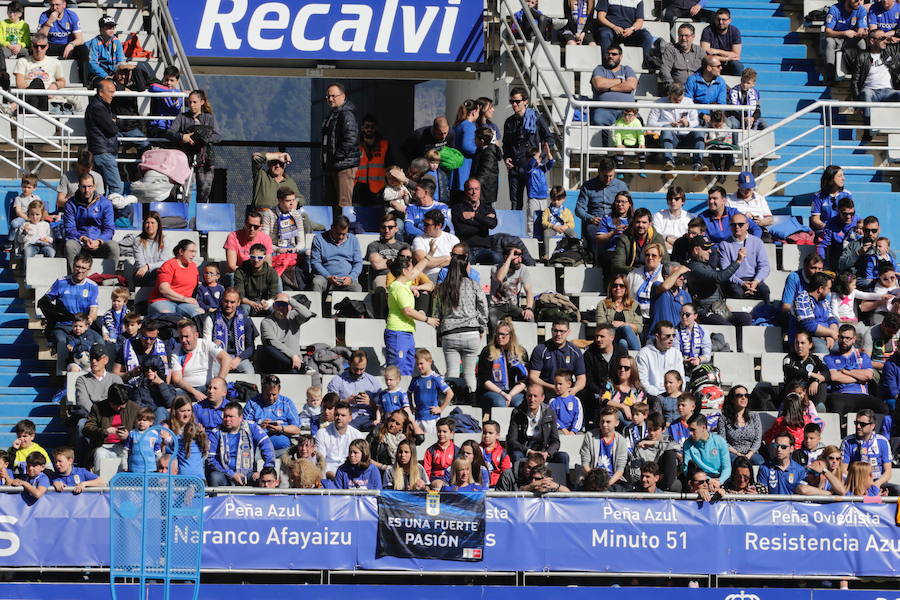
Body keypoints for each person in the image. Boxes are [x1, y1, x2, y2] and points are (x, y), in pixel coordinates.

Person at [432, 255, 488, 393]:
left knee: (452, 371)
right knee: (469, 372)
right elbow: (483, 308)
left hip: (449, 333)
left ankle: (452, 399)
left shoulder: (441, 287)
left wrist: (439, 331)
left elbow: (435, 313)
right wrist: (482, 327)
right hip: (471, 332)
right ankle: (471, 399)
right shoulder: (474, 284)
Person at [384, 252, 438, 376]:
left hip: (406, 332)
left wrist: (429, 254)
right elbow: (407, 311)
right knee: (398, 369)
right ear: (404, 271)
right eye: (410, 268)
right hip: (398, 333)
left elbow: (417, 270)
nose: (413, 271)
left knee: (407, 368)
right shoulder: (398, 287)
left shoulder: (404, 284)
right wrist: (427, 319)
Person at [503, 86, 556, 211]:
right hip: (515, 168)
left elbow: (550, 140)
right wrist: (506, 157)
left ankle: (534, 230)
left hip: (532, 168)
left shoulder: (536, 118)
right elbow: (506, 144)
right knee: (515, 203)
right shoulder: (509, 122)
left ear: (525, 101)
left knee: (535, 202)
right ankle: (515, 230)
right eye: (512, 102)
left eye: (517, 101)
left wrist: (540, 156)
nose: (514, 104)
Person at [165, 89, 221, 203]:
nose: (192, 105)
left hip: (205, 159)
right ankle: (183, 216)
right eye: (190, 102)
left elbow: (218, 137)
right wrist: (183, 137)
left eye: (194, 102)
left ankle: (201, 215)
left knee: (204, 191)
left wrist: (203, 139)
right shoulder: (182, 117)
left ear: (202, 102)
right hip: (186, 159)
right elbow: (169, 133)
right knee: (185, 190)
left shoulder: (209, 118)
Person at [207, 401, 275, 486]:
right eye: (225, 416)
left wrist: (265, 470)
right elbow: (211, 459)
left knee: (262, 479)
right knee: (214, 476)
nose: (227, 419)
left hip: (248, 473)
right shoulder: (216, 432)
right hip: (225, 474)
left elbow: (266, 445)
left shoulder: (251, 427)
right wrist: (231, 474)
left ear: (240, 417)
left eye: (231, 416)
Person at [824, 325, 887, 416]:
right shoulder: (829, 357)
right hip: (841, 394)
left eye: (847, 338)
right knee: (836, 404)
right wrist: (860, 378)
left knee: (883, 408)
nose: (844, 341)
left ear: (854, 339)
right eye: (841, 337)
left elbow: (868, 375)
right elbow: (834, 376)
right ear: (838, 337)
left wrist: (845, 372)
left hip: (862, 394)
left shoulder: (862, 356)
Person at [62, 172, 118, 270]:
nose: (87, 190)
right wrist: (83, 238)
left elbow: (109, 229)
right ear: (78, 187)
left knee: (113, 246)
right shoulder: (70, 204)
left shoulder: (105, 203)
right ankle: (73, 279)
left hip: (99, 242)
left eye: (89, 186)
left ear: (94, 187)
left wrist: (99, 241)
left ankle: (109, 278)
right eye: (83, 187)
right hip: (79, 242)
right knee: (69, 245)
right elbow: (69, 229)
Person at [170, 320, 232, 403]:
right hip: (186, 389)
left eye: (187, 336)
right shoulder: (176, 351)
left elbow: (226, 358)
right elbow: (177, 379)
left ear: (196, 335)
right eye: (181, 337)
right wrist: (195, 392)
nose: (183, 340)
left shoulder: (206, 344)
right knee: (171, 395)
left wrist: (219, 382)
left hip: (206, 387)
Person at [506, 384, 568, 469]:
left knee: (563, 456)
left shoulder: (550, 413)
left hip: (543, 450)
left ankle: (563, 481)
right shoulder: (517, 412)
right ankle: (519, 481)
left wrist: (547, 453)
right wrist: (528, 451)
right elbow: (512, 440)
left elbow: (556, 441)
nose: (532, 399)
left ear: (542, 398)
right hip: (525, 450)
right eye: (529, 396)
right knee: (516, 455)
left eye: (535, 396)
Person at [321, 83, 359, 213]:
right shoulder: (334, 114)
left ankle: (345, 231)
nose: (330, 99)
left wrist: (338, 156)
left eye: (333, 96)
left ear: (343, 96)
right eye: (328, 96)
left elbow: (351, 138)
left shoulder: (346, 114)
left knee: (343, 203)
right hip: (333, 166)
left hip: (343, 166)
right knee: (330, 202)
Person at [82, 383, 139, 471]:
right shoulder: (98, 408)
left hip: (125, 446)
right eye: (116, 405)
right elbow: (87, 429)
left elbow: (142, 430)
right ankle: (99, 481)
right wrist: (104, 431)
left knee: (128, 456)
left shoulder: (134, 408)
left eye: (122, 405)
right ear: (110, 401)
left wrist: (129, 436)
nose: (119, 408)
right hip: (103, 445)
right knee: (99, 454)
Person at [717, 211, 771, 302]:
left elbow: (764, 266)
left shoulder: (757, 242)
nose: (737, 227)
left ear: (747, 226)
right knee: (736, 292)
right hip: (735, 281)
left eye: (740, 224)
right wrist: (741, 283)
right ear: (730, 226)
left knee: (764, 291)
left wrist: (756, 281)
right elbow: (725, 271)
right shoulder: (724, 245)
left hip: (754, 279)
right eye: (733, 225)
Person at [256, 292, 316, 374]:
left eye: (284, 305)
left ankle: (300, 366)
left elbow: (307, 314)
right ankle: (302, 366)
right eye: (278, 305)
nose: (281, 307)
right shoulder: (266, 322)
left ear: (289, 306)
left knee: (294, 372)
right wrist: (293, 355)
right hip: (276, 361)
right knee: (268, 345)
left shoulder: (293, 316)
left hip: (295, 361)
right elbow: (273, 343)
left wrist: (290, 299)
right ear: (273, 306)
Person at [243, 375, 301, 458]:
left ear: (279, 389)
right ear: (262, 389)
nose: (271, 398)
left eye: (274, 394)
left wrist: (281, 429)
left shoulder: (286, 403)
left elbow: (297, 429)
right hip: (259, 449)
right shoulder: (252, 404)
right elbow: (244, 428)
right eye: (267, 394)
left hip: (284, 450)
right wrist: (258, 427)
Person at [589, 44, 638, 142]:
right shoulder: (599, 69)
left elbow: (631, 85)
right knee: (598, 119)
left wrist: (609, 89)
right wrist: (620, 81)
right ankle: (605, 151)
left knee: (637, 121)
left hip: (627, 110)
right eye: (608, 54)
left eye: (614, 54)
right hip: (604, 110)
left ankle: (628, 150)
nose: (610, 56)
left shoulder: (627, 69)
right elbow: (599, 84)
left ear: (621, 56)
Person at [575, 157, 629, 245]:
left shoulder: (621, 186)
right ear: (598, 172)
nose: (608, 179)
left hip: (616, 221)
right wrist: (590, 218)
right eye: (605, 176)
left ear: (614, 172)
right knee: (595, 238)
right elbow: (579, 209)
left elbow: (628, 206)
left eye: (610, 176)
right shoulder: (587, 186)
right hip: (595, 223)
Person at [477, 319, 530, 408]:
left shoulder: (521, 352)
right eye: (498, 334)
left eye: (503, 335)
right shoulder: (488, 351)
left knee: (519, 403)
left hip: (514, 392)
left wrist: (510, 395)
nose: (500, 337)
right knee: (500, 402)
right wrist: (503, 394)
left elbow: (524, 380)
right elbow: (484, 380)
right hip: (492, 391)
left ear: (511, 336)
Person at [202, 288, 256, 375]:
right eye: (226, 301)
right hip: (218, 357)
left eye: (232, 302)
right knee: (211, 374)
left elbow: (250, 347)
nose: (228, 305)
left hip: (239, 358)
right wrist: (213, 345)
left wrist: (238, 359)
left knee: (249, 372)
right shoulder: (211, 318)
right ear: (221, 301)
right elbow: (206, 344)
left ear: (238, 303)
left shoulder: (246, 320)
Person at [84, 79, 123, 198]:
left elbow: (114, 123)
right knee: (116, 186)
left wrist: (114, 122)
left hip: (101, 151)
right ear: (101, 92)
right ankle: (110, 214)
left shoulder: (99, 105)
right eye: (110, 92)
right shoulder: (98, 107)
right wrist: (114, 123)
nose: (113, 95)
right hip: (104, 152)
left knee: (103, 188)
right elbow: (112, 129)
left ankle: (103, 213)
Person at [327, 351, 381, 431]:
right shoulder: (337, 380)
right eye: (356, 369)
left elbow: (381, 407)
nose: (359, 372)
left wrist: (370, 403)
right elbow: (330, 404)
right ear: (349, 363)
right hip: (347, 418)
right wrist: (346, 401)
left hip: (369, 418)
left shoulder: (373, 381)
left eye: (362, 369)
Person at [529, 320, 587, 395]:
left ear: (568, 332)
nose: (558, 334)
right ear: (551, 330)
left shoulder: (575, 351)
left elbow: (581, 379)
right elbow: (533, 377)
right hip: (545, 392)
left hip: (568, 393)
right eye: (555, 331)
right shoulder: (540, 349)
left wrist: (574, 390)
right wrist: (553, 387)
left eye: (562, 331)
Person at [840, 408, 893, 490]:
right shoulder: (848, 442)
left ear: (872, 426)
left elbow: (888, 472)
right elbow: (843, 470)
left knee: (897, 490)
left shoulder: (882, 441)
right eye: (856, 423)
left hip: (878, 482)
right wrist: (859, 483)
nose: (858, 426)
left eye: (862, 424)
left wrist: (876, 484)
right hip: (855, 484)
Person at [625, 413, 681, 490]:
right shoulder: (640, 445)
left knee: (670, 453)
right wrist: (651, 479)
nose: (651, 433)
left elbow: (678, 447)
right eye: (649, 429)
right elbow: (634, 472)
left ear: (663, 429)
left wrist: (653, 443)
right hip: (647, 480)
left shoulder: (668, 440)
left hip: (665, 480)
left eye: (655, 430)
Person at [147, 239, 202, 318]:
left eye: (195, 252)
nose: (193, 255)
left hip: (185, 303)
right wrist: (184, 299)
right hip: (163, 300)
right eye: (191, 251)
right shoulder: (168, 265)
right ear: (181, 251)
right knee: (169, 316)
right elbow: (164, 290)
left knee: (199, 314)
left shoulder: (193, 266)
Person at [310, 216, 362, 298]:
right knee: (317, 282)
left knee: (356, 288)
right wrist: (328, 276)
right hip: (325, 278)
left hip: (346, 279)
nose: (341, 237)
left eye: (344, 234)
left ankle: (353, 310)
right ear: (332, 228)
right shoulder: (319, 239)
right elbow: (315, 263)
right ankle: (316, 309)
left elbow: (358, 263)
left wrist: (351, 278)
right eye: (338, 233)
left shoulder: (353, 240)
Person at [611, 209, 669, 280]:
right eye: (638, 222)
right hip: (631, 274)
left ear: (650, 224)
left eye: (644, 222)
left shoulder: (657, 238)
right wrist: (639, 272)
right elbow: (617, 264)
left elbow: (665, 261)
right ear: (633, 222)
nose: (640, 225)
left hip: (653, 274)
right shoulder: (624, 238)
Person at [451, 179, 498, 264]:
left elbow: (493, 224)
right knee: (465, 262)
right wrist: (484, 224)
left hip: (484, 249)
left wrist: (475, 215)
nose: (474, 192)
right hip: (466, 248)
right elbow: (462, 230)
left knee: (497, 258)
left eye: (477, 189)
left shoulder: (487, 208)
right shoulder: (457, 208)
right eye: (471, 189)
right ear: (465, 191)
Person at [821, 0, 869, 84]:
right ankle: (830, 76)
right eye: (856, 0)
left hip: (851, 38)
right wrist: (844, 33)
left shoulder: (861, 9)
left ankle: (861, 75)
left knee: (861, 43)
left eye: (860, 0)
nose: (859, 2)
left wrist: (862, 33)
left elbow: (860, 29)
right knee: (829, 42)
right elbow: (828, 32)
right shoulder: (835, 9)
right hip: (835, 37)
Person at [74, 344, 123, 425]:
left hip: (112, 415)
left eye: (97, 358)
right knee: (81, 425)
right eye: (92, 358)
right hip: (91, 417)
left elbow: (120, 400)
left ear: (106, 360)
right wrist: (98, 416)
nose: (94, 361)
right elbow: (83, 401)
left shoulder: (115, 379)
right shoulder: (82, 380)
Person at [790, 272, 839, 352]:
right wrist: (830, 333)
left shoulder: (824, 301)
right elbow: (810, 326)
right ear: (820, 289)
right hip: (807, 339)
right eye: (829, 288)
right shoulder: (802, 299)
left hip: (826, 337)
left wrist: (831, 335)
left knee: (844, 348)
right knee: (823, 352)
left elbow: (832, 319)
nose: (830, 292)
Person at [580, 406, 628, 488]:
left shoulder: (621, 441)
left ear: (616, 423)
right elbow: (585, 464)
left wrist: (607, 484)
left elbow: (620, 469)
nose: (604, 424)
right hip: (592, 479)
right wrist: (595, 481)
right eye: (602, 421)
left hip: (613, 481)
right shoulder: (590, 436)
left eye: (608, 422)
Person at [113, 319, 172, 384]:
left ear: (157, 333)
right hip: (134, 388)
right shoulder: (126, 347)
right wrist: (130, 374)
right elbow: (114, 375)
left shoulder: (162, 347)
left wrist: (164, 386)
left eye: (152, 338)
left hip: (157, 388)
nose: (148, 341)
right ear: (140, 333)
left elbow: (167, 371)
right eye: (145, 338)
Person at [409, 349, 454, 434]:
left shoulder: (435, 378)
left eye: (421, 363)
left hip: (431, 418)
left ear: (429, 362)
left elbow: (450, 393)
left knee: (430, 441)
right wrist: (411, 405)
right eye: (417, 364)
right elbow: (409, 392)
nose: (419, 366)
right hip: (418, 417)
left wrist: (441, 408)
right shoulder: (415, 380)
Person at [783, 331, 831, 409]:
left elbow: (827, 373)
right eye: (797, 343)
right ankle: (794, 408)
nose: (799, 346)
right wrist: (810, 374)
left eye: (803, 343)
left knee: (822, 384)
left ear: (810, 345)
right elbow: (789, 371)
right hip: (793, 392)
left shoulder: (815, 359)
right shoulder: (789, 358)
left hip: (809, 391)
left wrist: (816, 381)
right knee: (794, 384)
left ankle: (818, 408)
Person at [636, 320, 684, 398]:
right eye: (668, 336)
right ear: (657, 336)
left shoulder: (676, 353)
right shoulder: (644, 354)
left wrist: (674, 394)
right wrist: (660, 395)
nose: (671, 339)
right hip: (652, 396)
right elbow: (643, 382)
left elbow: (681, 379)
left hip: (674, 396)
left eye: (673, 335)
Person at [489, 245, 535, 325]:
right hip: (496, 306)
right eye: (516, 258)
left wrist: (529, 308)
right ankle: (492, 338)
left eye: (520, 257)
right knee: (491, 318)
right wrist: (509, 258)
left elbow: (529, 290)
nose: (520, 260)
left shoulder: (522, 269)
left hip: (513, 306)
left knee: (529, 318)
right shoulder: (495, 268)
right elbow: (500, 278)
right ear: (506, 257)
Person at [596, 274, 643, 350]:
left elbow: (639, 328)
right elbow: (600, 325)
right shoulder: (602, 304)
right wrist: (612, 324)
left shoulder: (634, 305)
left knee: (623, 341)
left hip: (629, 340)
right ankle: (637, 354)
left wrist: (623, 324)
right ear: (611, 287)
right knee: (625, 331)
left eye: (621, 286)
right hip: (611, 337)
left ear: (626, 289)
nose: (618, 288)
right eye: (615, 285)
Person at [353, 114, 392, 206]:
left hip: (378, 190)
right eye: (367, 127)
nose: (369, 129)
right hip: (358, 189)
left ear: (376, 128)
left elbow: (390, 166)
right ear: (362, 128)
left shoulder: (384, 145)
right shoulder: (355, 145)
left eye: (372, 127)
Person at [412, 209, 460, 283]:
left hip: (450, 275)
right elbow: (422, 262)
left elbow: (457, 261)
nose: (424, 226)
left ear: (438, 225)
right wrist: (446, 258)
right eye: (424, 223)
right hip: (429, 277)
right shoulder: (419, 239)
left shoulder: (452, 239)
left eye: (427, 224)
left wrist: (431, 261)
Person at [682, 414, 731, 484]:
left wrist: (719, 481)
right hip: (699, 479)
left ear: (703, 428)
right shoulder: (687, 444)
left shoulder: (720, 441)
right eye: (689, 430)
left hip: (719, 478)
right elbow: (686, 469)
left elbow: (727, 468)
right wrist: (707, 480)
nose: (690, 433)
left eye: (693, 430)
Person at [721, 385, 763, 464]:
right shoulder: (723, 418)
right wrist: (737, 453)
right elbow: (723, 441)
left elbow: (758, 440)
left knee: (759, 462)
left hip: (751, 453)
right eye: (739, 395)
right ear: (732, 399)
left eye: (746, 395)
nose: (743, 398)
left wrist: (749, 455)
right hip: (733, 453)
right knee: (734, 462)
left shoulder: (754, 416)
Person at [367, 213, 409, 291]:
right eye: (384, 227)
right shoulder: (373, 245)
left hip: (401, 276)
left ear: (396, 228)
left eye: (390, 227)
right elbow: (377, 265)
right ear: (380, 228)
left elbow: (408, 265)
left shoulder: (405, 246)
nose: (386, 230)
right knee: (381, 289)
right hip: (383, 277)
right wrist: (398, 261)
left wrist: (385, 261)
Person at [224, 211, 274, 276]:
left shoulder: (266, 238)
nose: (252, 229)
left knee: (277, 279)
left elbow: (268, 264)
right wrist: (249, 273)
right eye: (249, 225)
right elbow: (232, 265)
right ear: (245, 224)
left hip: (260, 274)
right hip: (240, 272)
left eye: (255, 227)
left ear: (260, 227)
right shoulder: (233, 236)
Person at [234, 244, 279, 316]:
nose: (256, 260)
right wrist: (251, 303)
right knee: (243, 310)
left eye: (260, 257)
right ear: (249, 256)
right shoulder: (240, 271)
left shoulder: (271, 272)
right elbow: (240, 295)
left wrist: (267, 303)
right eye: (253, 257)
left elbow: (274, 295)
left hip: (264, 302)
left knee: (275, 309)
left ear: (264, 258)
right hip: (247, 303)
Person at [684, 57, 728, 128]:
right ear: (709, 68)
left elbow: (722, 103)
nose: (721, 68)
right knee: (699, 126)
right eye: (718, 66)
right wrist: (702, 115)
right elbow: (688, 102)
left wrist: (714, 116)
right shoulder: (692, 80)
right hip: (697, 115)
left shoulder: (721, 81)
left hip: (716, 116)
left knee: (731, 124)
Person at [818, 197, 859, 270]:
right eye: (844, 214)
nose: (848, 216)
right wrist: (824, 263)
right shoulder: (831, 224)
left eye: (851, 213)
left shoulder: (859, 222)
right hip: (838, 258)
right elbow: (823, 244)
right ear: (838, 211)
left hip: (856, 258)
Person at [700, 8, 744, 76]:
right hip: (713, 63)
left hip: (728, 63)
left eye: (724, 20)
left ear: (729, 20)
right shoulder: (708, 31)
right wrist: (727, 58)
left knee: (738, 66)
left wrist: (718, 51)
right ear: (715, 19)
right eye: (718, 19)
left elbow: (736, 55)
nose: (720, 22)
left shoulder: (735, 31)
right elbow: (705, 54)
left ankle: (738, 85)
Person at [84, 15, 125, 85]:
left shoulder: (117, 41)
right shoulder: (95, 42)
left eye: (113, 27)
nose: (112, 29)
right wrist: (105, 75)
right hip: (98, 74)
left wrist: (119, 72)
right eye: (109, 27)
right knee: (108, 84)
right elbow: (92, 64)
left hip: (113, 72)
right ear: (101, 29)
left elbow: (120, 61)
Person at [541, 186, 578, 261]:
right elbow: (544, 222)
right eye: (554, 199)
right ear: (551, 198)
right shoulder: (547, 211)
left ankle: (572, 252)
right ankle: (547, 254)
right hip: (553, 228)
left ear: (563, 199)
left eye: (558, 199)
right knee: (546, 233)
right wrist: (553, 226)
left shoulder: (566, 211)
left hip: (563, 228)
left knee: (574, 234)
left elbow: (572, 223)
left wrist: (566, 226)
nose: (556, 202)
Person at [810, 165, 852, 232]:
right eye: (840, 176)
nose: (843, 178)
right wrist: (827, 227)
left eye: (843, 175)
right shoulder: (818, 196)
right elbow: (815, 219)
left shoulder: (847, 195)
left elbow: (850, 215)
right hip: (826, 230)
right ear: (831, 178)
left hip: (842, 230)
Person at [653, 187, 695, 251]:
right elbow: (657, 238)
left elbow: (690, 241)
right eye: (670, 198)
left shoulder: (690, 218)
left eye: (676, 198)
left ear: (683, 201)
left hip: (683, 253)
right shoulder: (658, 216)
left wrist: (667, 239)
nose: (673, 201)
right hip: (664, 252)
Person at [451, 99, 480, 192]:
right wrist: (481, 150)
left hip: (456, 166)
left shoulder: (457, 125)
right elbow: (467, 145)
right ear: (474, 111)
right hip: (465, 168)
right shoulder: (469, 125)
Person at [147, 66, 184, 138]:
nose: (169, 83)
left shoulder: (180, 94)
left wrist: (176, 101)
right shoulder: (161, 90)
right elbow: (153, 87)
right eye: (167, 79)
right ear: (163, 78)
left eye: (172, 80)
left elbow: (177, 107)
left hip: (173, 127)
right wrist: (171, 92)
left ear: (177, 81)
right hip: (158, 127)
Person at [423, 417, 459, 481]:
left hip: (452, 480)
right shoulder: (430, 450)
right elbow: (426, 471)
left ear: (452, 433)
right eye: (439, 431)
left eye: (444, 431)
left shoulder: (457, 451)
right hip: (435, 480)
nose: (441, 434)